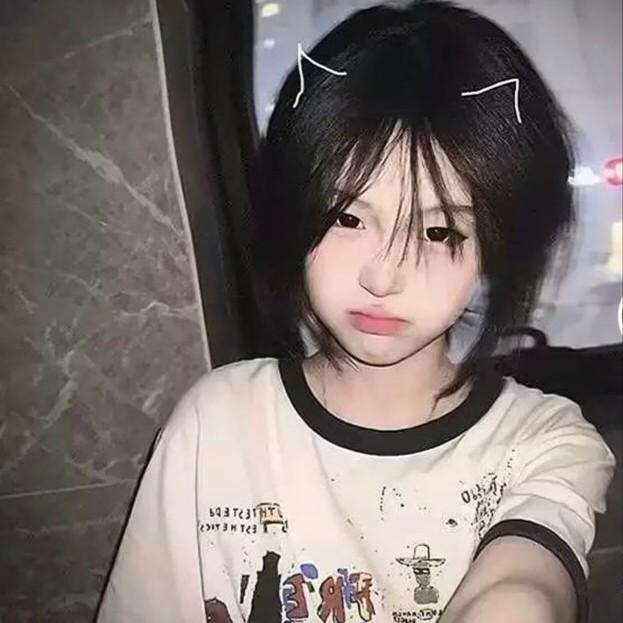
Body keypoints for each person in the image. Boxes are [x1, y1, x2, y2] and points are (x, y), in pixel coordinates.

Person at [96, 2, 616, 622]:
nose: (382, 276)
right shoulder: (218, 421)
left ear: (496, 245)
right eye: (347, 217)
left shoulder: (543, 440)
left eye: (439, 231)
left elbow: (523, 586)